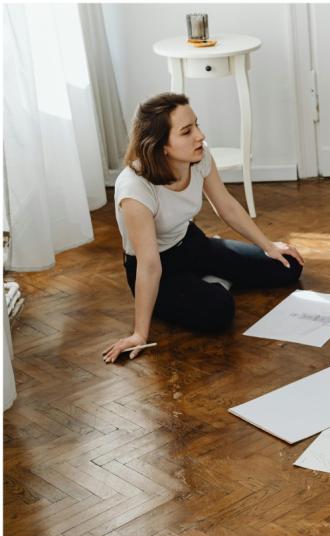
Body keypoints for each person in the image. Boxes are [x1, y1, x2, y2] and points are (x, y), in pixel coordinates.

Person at [103, 93, 304, 363]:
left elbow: (226, 206)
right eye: (187, 131)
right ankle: (208, 282)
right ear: (160, 145)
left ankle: (208, 276)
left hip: (192, 243)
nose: (200, 135)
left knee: (289, 265)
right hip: (158, 266)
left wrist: (268, 246)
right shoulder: (134, 188)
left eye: (196, 125)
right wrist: (140, 333)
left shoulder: (199, 156)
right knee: (219, 311)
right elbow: (149, 264)